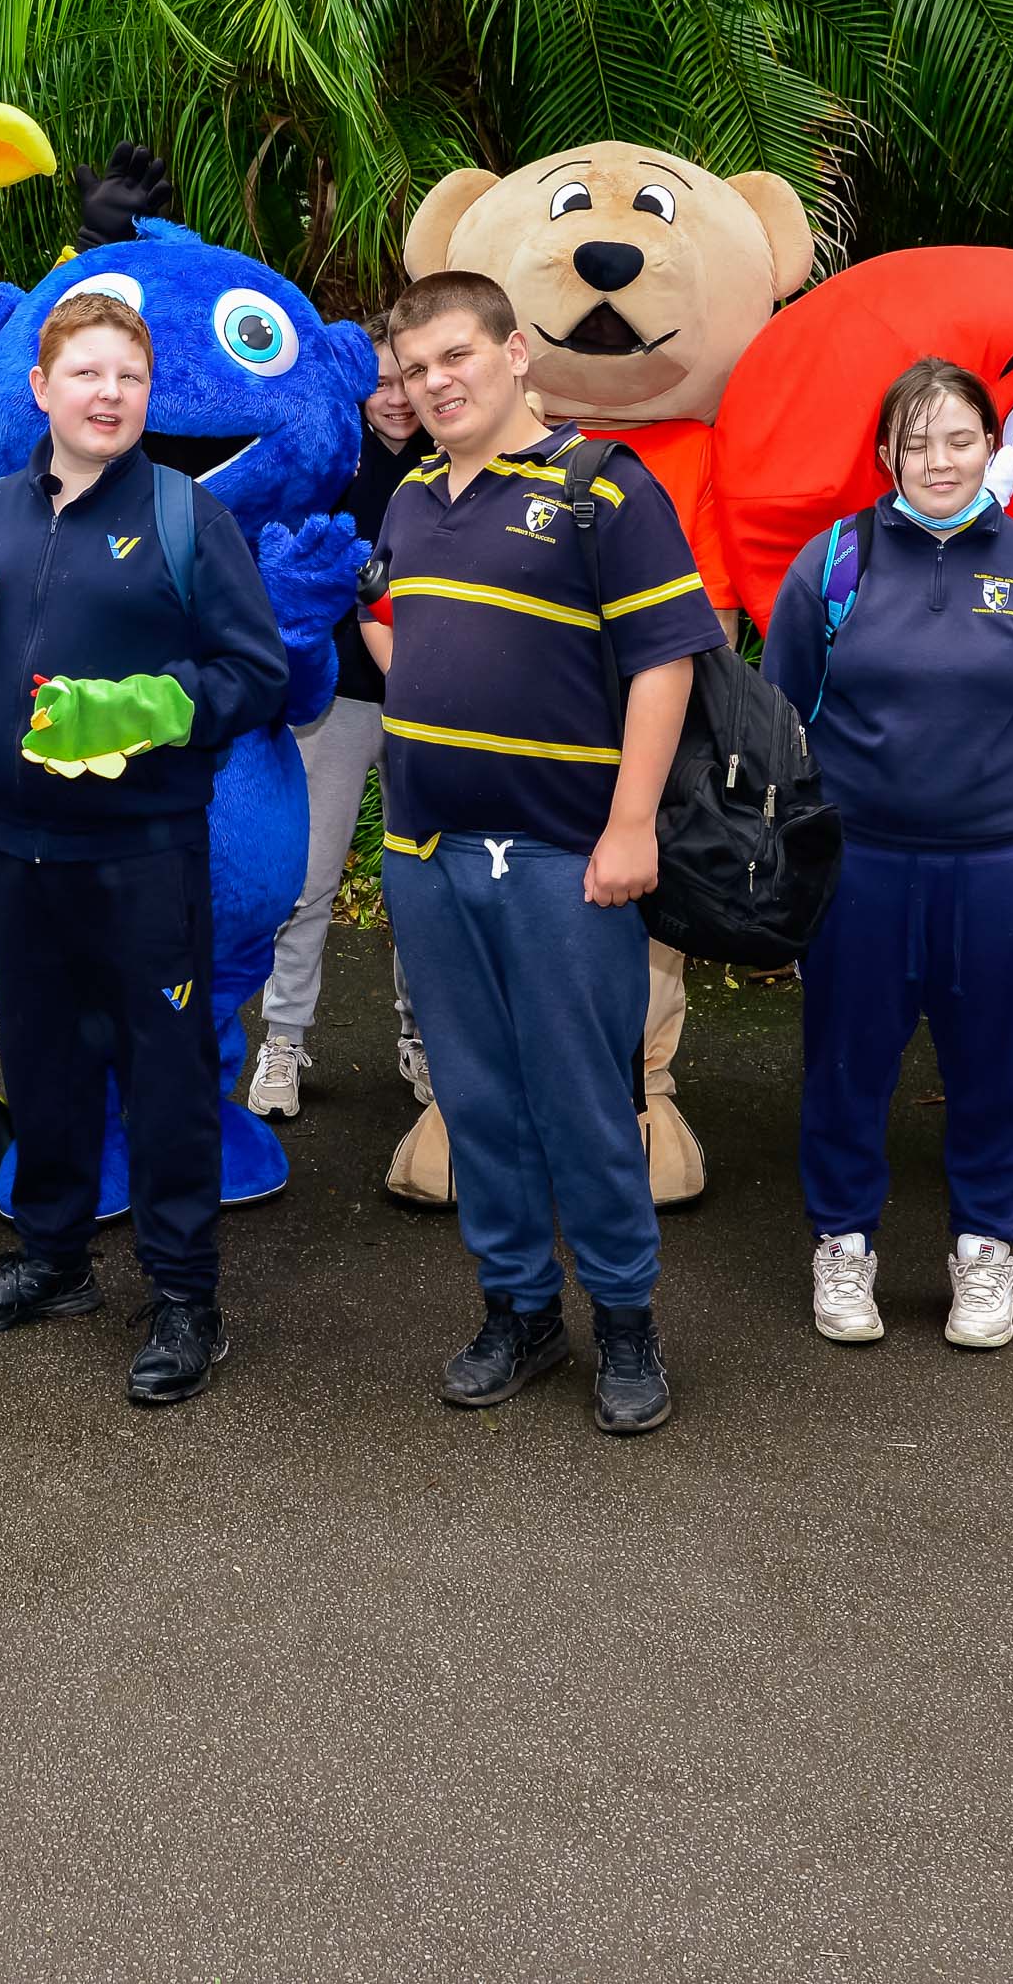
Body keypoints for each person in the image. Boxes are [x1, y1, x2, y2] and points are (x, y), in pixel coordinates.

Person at [0, 286, 290, 1405]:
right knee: (41, 1059)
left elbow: (255, 675)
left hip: (144, 852)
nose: (109, 394)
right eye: (86, 374)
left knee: (165, 1073)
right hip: (20, 851)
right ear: (41, 389)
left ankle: (184, 1296)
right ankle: (53, 1259)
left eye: (128, 377)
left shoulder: (183, 514)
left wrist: (145, 708)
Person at [363, 272, 716, 1433]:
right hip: (425, 850)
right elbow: (407, 637)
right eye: (415, 370)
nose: (436, 382)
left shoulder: (600, 489)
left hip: (566, 858)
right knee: (477, 1098)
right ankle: (517, 1308)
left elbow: (666, 660)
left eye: (455, 355)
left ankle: (623, 1320)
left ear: (517, 351)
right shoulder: (410, 498)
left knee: (581, 1102)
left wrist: (628, 825)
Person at [761, 357, 1013, 1355]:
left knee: (998, 1074)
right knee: (846, 1069)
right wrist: (790, 872)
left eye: (959, 438)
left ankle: (985, 1248)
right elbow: (776, 726)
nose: (937, 459)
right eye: (915, 441)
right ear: (884, 453)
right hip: (861, 868)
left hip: (1003, 870)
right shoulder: (831, 565)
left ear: (994, 448)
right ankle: (842, 1244)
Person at [246, 323, 428, 1122]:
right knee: (310, 878)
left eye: (411, 378)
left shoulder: (460, 458)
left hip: (434, 698)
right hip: (339, 696)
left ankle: (425, 1037)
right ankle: (283, 1039)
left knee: (424, 880)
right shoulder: (328, 455)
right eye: (383, 380)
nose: (396, 397)